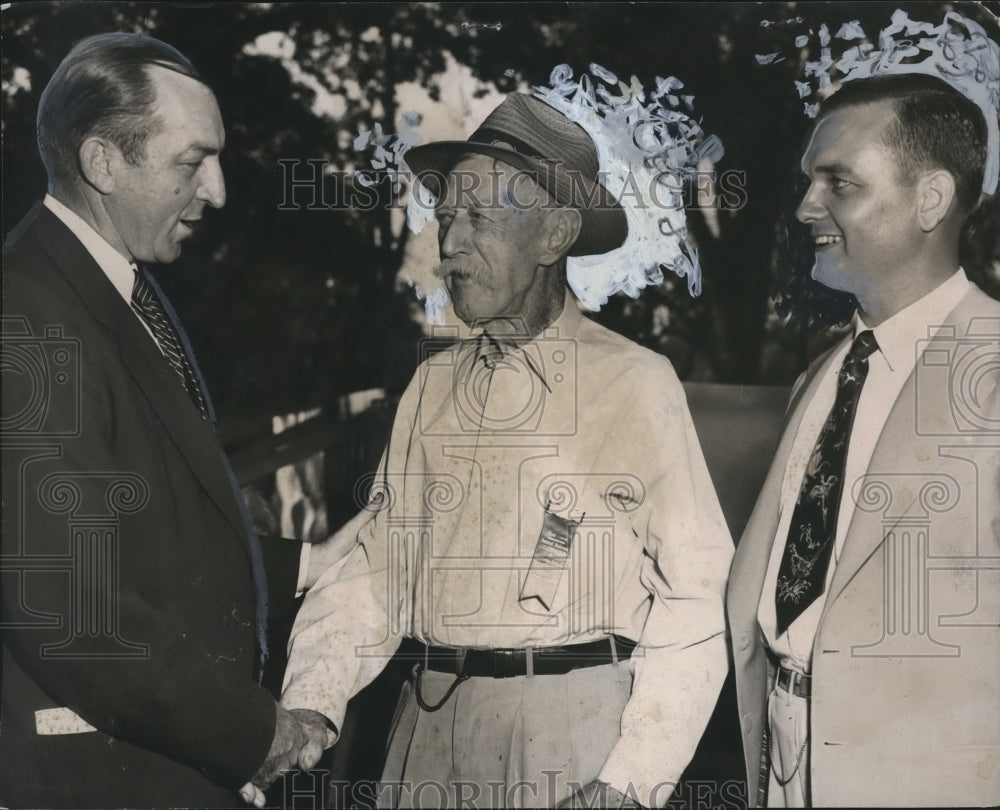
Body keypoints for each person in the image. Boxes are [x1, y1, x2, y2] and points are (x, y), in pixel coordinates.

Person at [275, 91, 735, 809]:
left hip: (571, 738)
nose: (450, 242)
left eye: (480, 217)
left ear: (554, 235)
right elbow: (377, 568)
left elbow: (699, 592)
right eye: (446, 216)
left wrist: (632, 781)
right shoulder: (431, 387)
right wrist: (311, 703)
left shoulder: (633, 383)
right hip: (426, 731)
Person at [0, 32, 331, 808]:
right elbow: (68, 604)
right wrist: (259, 732)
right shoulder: (28, 316)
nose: (217, 191)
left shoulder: (105, 287)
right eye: (193, 161)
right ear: (102, 163)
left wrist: (306, 567)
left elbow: (142, 529)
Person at [727, 71, 1000, 806]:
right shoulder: (820, 378)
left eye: (837, 183)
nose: (806, 206)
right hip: (779, 763)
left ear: (931, 200)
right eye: (808, 183)